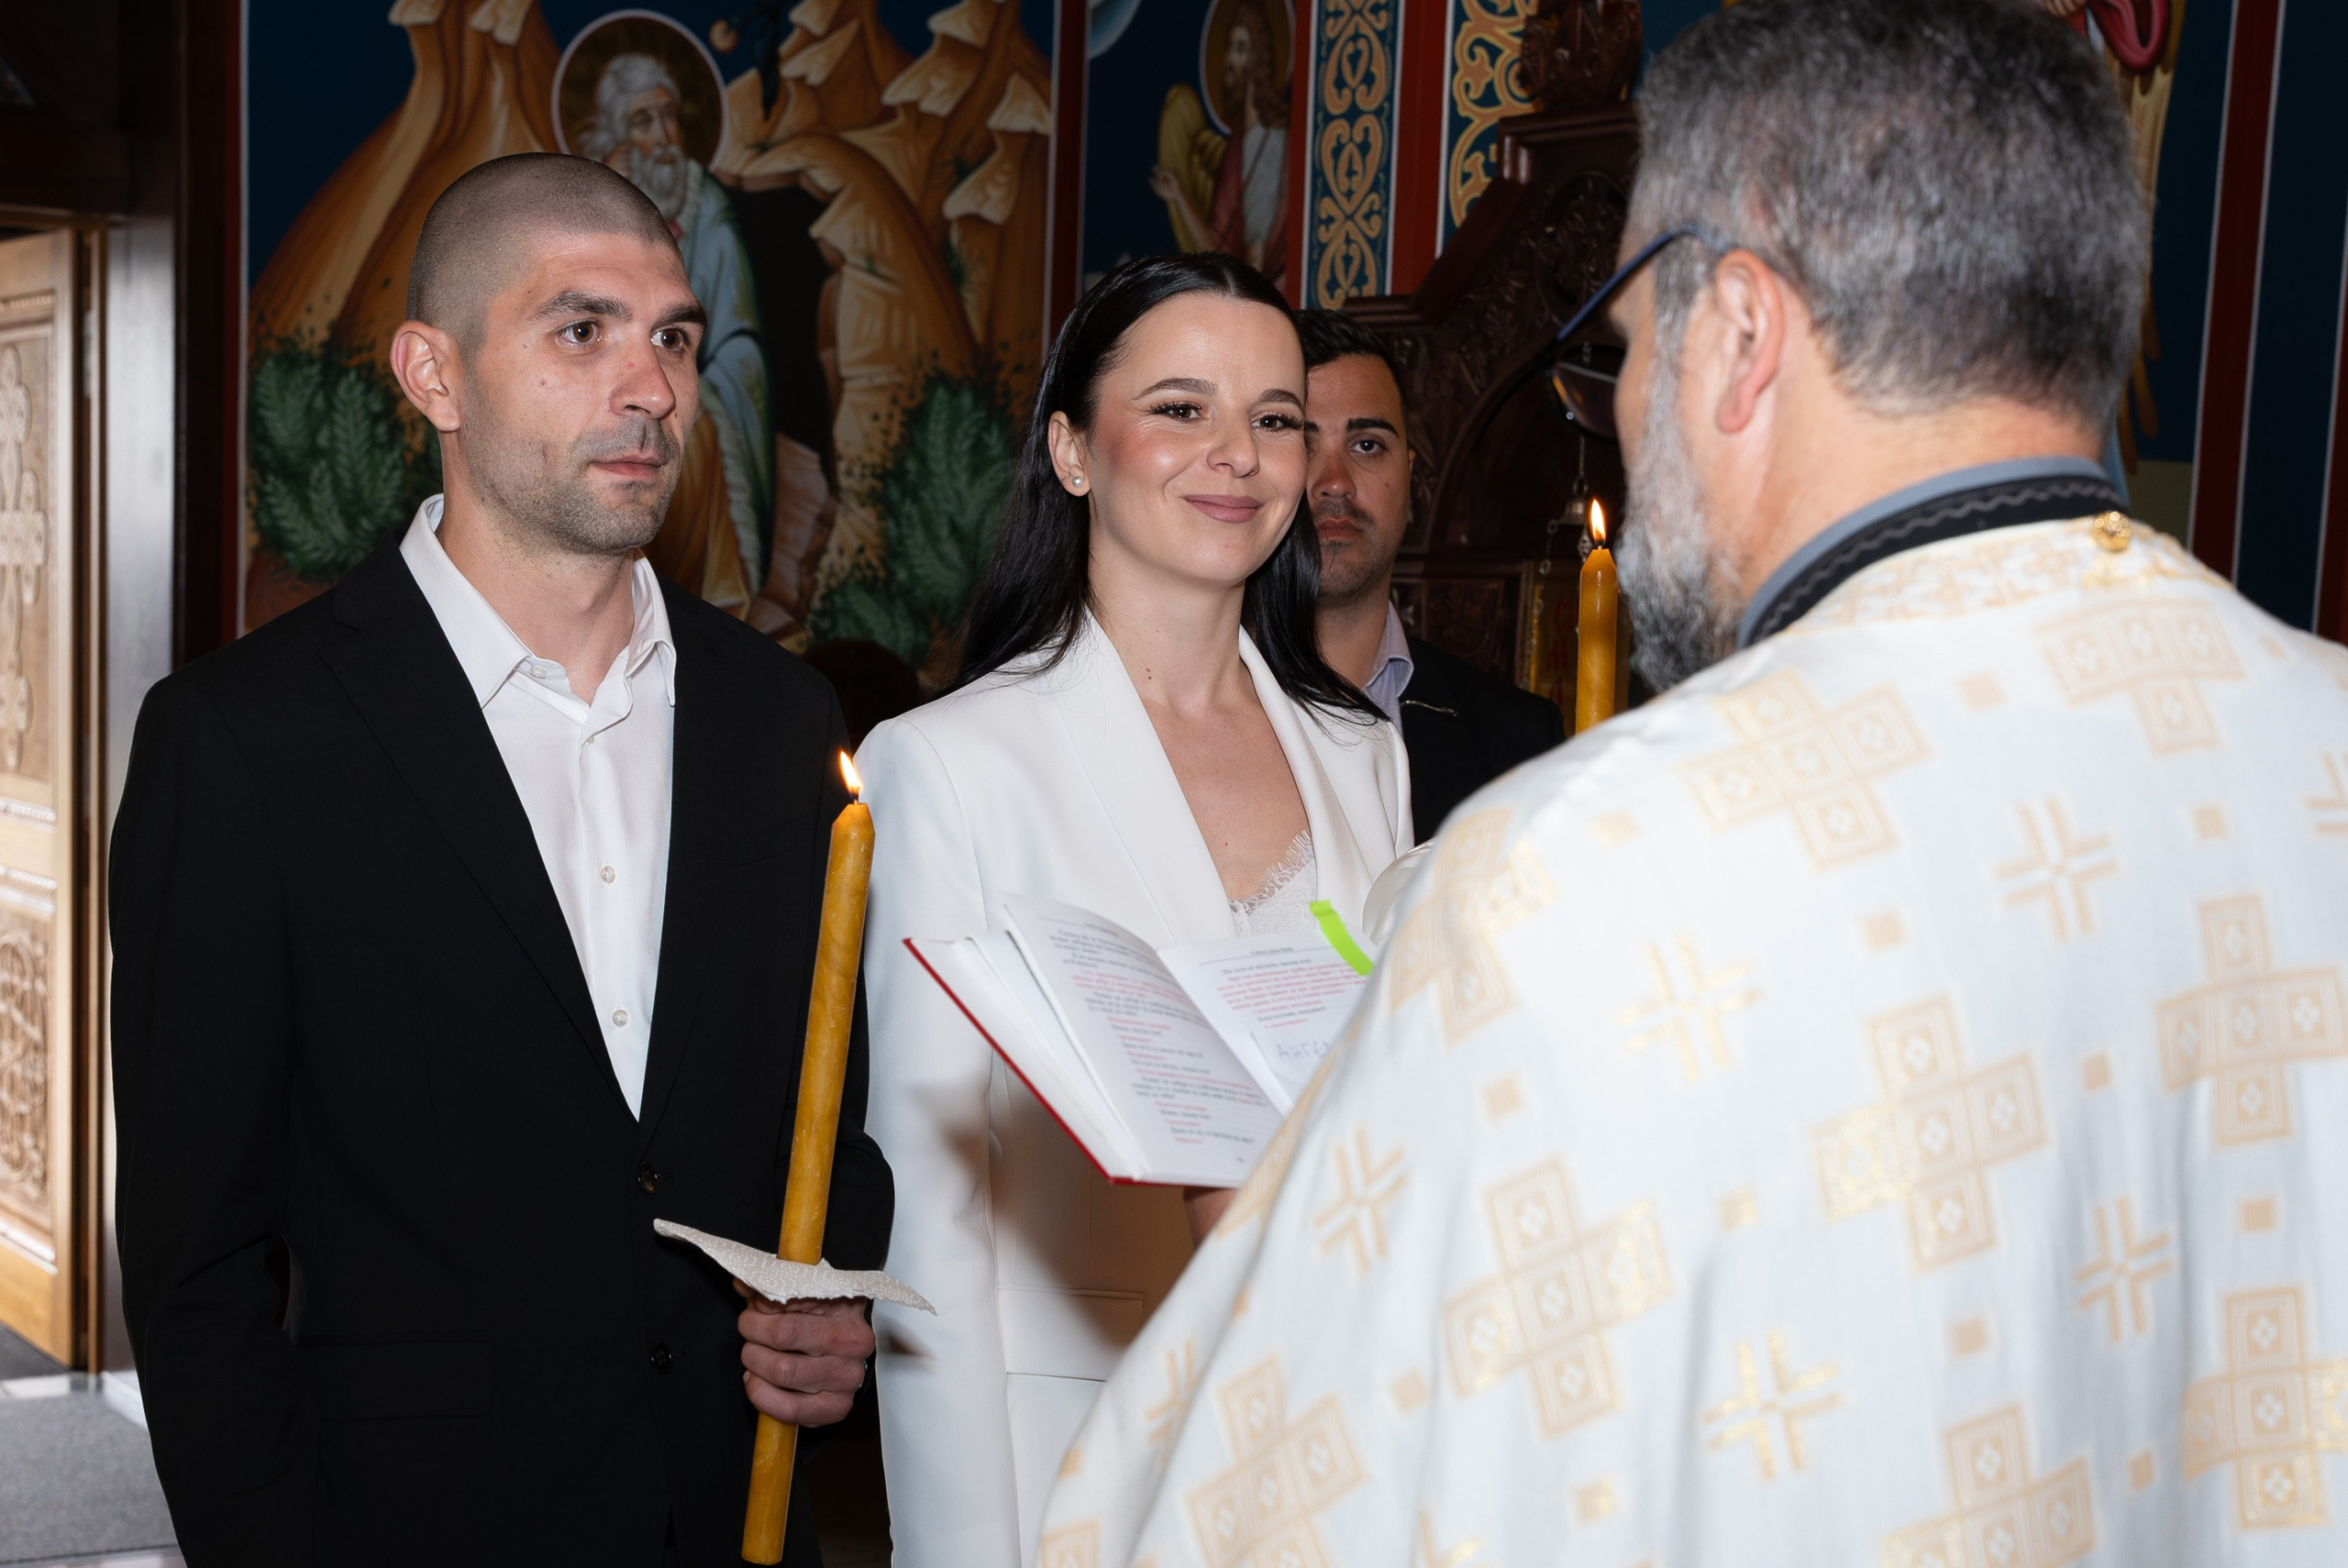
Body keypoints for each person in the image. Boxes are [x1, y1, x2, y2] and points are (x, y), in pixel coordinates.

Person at [1042, 3, 2348, 1563]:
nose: (1625, 412)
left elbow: (1244, 1511)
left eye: (1625, 343)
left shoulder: (1589, 874)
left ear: (1739, 333)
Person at [111, 154, 891, 1566]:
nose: (651, 387)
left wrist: (834, 1307)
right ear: (435, 375)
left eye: (673, 336)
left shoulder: (779, 722)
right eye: (580, 330)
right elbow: (195, 1267)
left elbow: (820, 1109)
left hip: (731, 1515)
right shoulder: (243, 744)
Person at [858, 253, 1411, 1567]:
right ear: (1070, 447)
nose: (1240, 455)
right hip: (1082, 1462)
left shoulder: (1363, 755)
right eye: (1180, 408)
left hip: (1335, 1445)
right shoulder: (949, 763)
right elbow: (934, 1210)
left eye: (1276, 417)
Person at [1301, 307, 1566, 841]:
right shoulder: (1167, 712)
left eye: (1367, 445)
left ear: (1412, 481)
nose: (1334, 483)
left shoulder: (1519, 741)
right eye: (1301, 442)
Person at [581, 50, 772, 615]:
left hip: (703, 391)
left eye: (670, 116)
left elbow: (738, 335)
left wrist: (705, 387)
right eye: (643, 121)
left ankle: (702, 614)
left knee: (696, 436)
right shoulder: (577, 208)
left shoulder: (702, 203)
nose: (665, 137)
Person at [1151, 0, 1290, 289]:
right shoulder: (1239, 140)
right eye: (1229, 47)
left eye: (1240, 48)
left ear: (1257, 59)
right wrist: (1178, 194)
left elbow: (1255, 256)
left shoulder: (1268, 139)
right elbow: (1217, 246)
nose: (1229, 59)